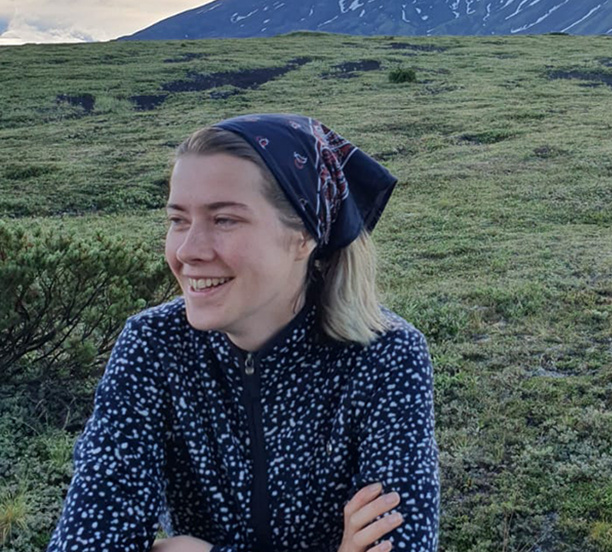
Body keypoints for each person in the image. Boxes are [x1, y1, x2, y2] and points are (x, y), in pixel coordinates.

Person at [47, 113, 440, 552]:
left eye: (224, 220)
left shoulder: (385, 356)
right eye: (178, 220)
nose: (188, 251)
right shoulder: (153, 345)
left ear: (303, 237)